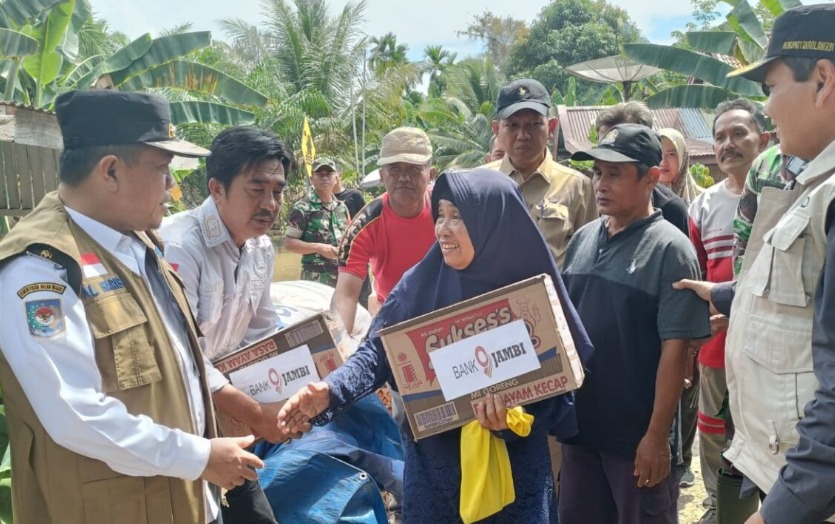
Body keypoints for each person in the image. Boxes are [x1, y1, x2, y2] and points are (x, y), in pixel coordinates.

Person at [0, 90, 264, 524]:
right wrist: (198, 456)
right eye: (162, 170)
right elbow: (75, 414)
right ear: (110, 171)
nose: (172, 186)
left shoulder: (136, 242)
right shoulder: (41, 269)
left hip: (186, 499)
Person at [276, 168, 594, 523]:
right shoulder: (419, 285)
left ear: (493, 222)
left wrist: (515, 418)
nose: (442, 228)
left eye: (457, 217)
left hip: (516, 479)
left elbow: (559, 386)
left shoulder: (530, 297)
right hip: (436, 476)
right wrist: (330, 390)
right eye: (440, 214)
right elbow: (375, 355)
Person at [558, 124, 711, 524]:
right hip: (582, 431)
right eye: (596, 172)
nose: (600, 184)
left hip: (636, 440)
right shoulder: (583, 239)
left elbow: (675, 351)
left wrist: (657, 437)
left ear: (651, 177)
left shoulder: (670, 249)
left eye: (614, 173)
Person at [718, 5, 835, 523]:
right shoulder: (814, 186)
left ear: (823, 79)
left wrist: (780, 513)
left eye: (771, 87)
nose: (767, 109)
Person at [161, 126, 297, 523]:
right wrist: (256, 412)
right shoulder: (181, 246)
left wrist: (291, 391)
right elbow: (183, 357)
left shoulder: (261, 248)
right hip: (178, 417)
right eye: (256, 189)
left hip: (227, 414)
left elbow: (264, 334)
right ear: (216, 188)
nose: (270, 203)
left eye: (278, 190)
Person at [687, 98, 769, 524]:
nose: (728, 144)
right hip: (716, 347)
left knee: (765, 432)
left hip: (767, 350)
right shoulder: (701, 206)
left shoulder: (782, 198)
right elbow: (695, 273)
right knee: (715, 434)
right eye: (719, 136)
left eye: (739, 133)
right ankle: (721, 507)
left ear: (764, 139)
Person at [332, 127, 437, 334]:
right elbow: (347, 295)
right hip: (395, 316)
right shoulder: (364, 226)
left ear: (431, 174)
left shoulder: (448, 206)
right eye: (394, 169)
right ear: (381, 175)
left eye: (414, 169)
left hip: (448, 308)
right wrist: (337, 347)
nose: (404, 177)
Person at [483, 78, 597, 267]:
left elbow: (587, 257)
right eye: (512, 126)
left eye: (533, 125)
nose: (522, 135)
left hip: (555, 295)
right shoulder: (478, 183)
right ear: (497, 129)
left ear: (551, 127)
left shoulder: (578, 186)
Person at [595, 102, 691, 236]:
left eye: (614, 174)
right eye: (604, 143)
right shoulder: (597, 205)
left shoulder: (671, 211)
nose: (602, 185)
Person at [732, 142, 806, 276]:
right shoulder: (765, 163)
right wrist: (740, 285)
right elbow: (743, 234)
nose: (772, 120)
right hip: (764, 283)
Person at [284, 157, 351, 287]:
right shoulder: (303, 207)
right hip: (315, 280)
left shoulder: (341, 207)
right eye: (319, 174)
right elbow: (289, 243)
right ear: (311, 178)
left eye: (329, 174)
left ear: (336, 178)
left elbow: (349, 239)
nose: (324, 178)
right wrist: (318, 248)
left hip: (342, 276)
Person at [658, 127, 703, 206]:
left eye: (671, 154)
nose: (663, 162)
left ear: (682, 158)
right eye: (658, 153)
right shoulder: (641, 199)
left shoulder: (703, 201)